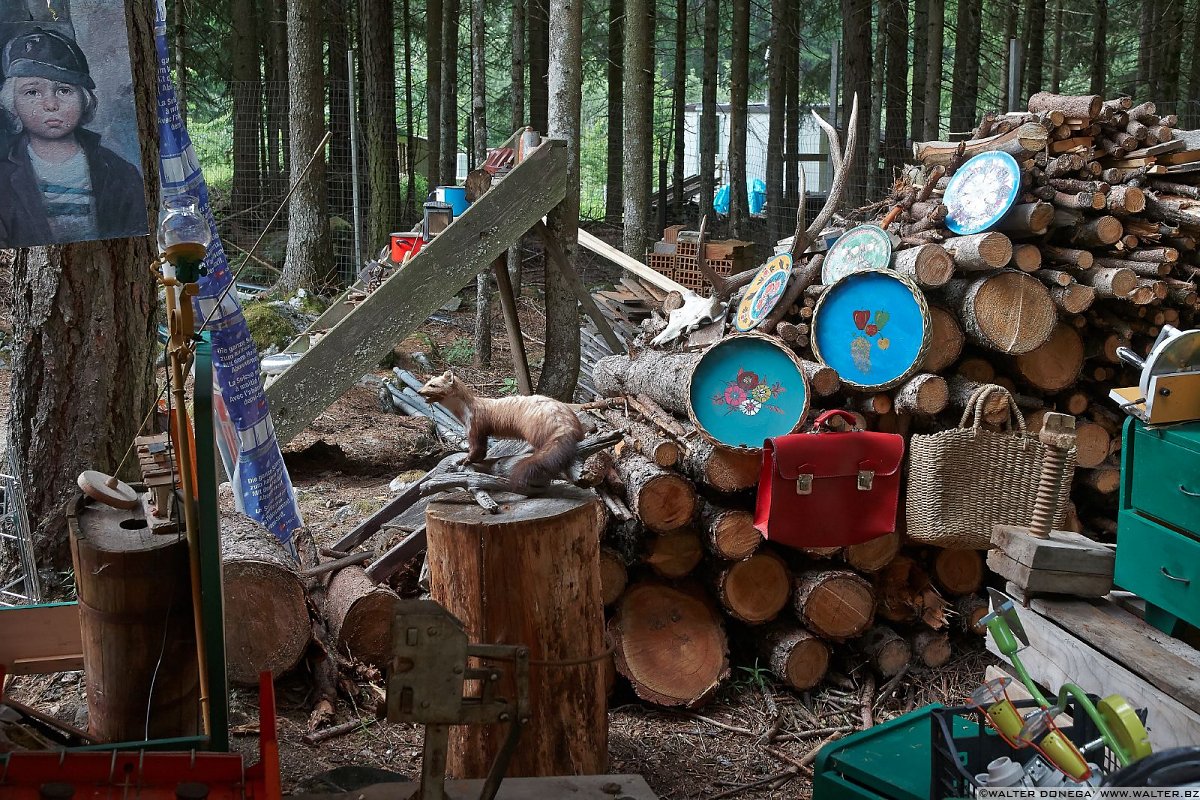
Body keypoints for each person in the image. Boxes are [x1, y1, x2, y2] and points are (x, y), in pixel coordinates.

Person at [0, 26, 146, 248]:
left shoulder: (118, 171)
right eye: (32, 92)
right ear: (12, 103)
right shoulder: (3, 177)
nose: (51, 105)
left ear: (84, 99)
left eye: (64, 90)